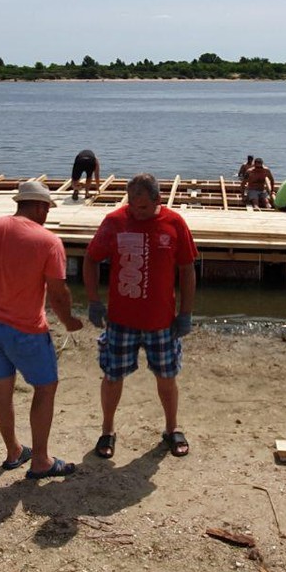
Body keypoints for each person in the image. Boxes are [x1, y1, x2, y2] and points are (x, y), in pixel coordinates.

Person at [0, 180, 84, 479]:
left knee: (3, 387)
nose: (48, 214)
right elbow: (58, 293)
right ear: (40, 207)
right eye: (48, 209)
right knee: (45, 386)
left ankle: (14, 451)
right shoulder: (47, 241)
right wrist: (69, 321)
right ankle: (40, 460)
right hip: (26, 329)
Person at [84, 173, 198, 459]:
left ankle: (171, 428)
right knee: (112, 376)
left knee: (167, 376)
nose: (137, 212)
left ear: (158, 200)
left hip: (161, 322)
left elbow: (187, 269)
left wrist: (185, 313)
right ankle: (107, 430)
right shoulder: (114, 222)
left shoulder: (173, 223)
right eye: (133, 206)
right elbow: (91, 259)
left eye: (144, 208)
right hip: (121, 320)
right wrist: (94, 301)